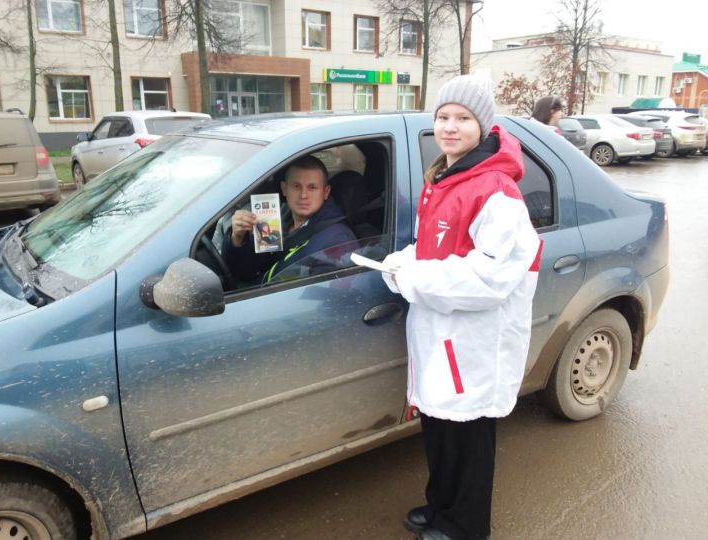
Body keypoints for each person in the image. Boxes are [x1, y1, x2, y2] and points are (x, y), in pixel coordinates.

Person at [381, 75, 542, 540]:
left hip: (472, 340)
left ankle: (467, 526)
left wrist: (413, 278)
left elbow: (488, 278)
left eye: (463, 119)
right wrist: (401, 261)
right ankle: (440, 508)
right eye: (444, 117)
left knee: (468, 437)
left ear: (483, 125)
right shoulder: (444, 175)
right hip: (440, 330)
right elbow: (434, 247)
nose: (450, 127)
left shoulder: (495, 191)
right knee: (440, 428)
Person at [223, 155, 356, 284]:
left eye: (312, 188)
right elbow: (247, 271)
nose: (303, 195)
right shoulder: (274, 219)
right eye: (296, 186)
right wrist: (238, 239)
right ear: (284, 189)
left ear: (325, 192)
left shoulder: (338, 241)